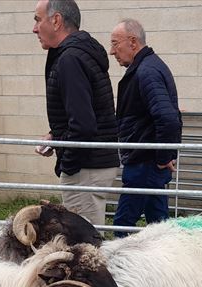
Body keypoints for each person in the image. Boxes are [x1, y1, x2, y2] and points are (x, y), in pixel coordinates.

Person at [32, 0, 120, 226]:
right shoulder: (76, 54)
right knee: (87, 239)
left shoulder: (70, 59)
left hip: (85, 167)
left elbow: (83, 125)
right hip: (91, 163)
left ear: (56, 20)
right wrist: (56, 136)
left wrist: (68, 165)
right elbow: (82, 113)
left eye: (37, 19)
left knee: (84, 246)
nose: (34, 28)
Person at [108, 18, 182, 237]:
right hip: (147, 161)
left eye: (115, 43)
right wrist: (163, 156)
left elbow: (167, 118)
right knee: (158, 225)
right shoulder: (147, 68)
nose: (112, 51)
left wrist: (162, 157)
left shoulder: (146, 72)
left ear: (132, 42)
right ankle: (166, 268)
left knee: (123, 224)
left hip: (144, 163)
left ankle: (119, 269)